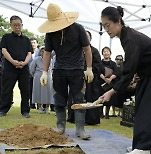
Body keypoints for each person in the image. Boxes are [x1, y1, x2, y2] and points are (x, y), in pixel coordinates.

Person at [99, 6, 151, 154]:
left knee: (150, 108)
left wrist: (112, 91)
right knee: (141, 104)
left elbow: (129, 69)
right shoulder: (125, 36)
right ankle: (140, 144)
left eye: (107, 25)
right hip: (149, 72)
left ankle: (143, 148)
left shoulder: (130, 37)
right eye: (103, 26)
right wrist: (120, 76)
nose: (106, 29)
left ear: (118, 22)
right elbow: (132, 64)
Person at [38, 3, 93, 140]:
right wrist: (44, 72)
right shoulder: (50, 32)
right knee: (59, 99)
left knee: (79, 99)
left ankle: (80, 129)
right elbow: (47, 53)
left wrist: (89, 68)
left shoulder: (78, 29)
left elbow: (87, 49)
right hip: (59, 70)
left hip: (76, 70)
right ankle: (60, 126)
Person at [0, 15, 32, 118]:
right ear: (11, 26)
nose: (17, 27)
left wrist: (24, 62)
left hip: (24, 68)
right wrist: (13, 62)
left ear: (22, 25)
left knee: (25, 90)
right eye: (14, 25)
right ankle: (3, 109)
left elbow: (29, 53)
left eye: (19, 25)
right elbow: (4, 51)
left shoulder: (26, 39)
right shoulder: (6, 37)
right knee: (6, 89)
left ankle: (25, 111)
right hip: (10, 68)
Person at [30, 46, 53, 114]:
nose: (43, 53)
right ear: (40, 52)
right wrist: (36, 75)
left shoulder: (50, 59)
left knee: (48, 92)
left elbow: (52, 69)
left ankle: (47, 107)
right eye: (42, 51)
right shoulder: (36, 59)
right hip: (38, 76)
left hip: (48, 76)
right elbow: (31, 69)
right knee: (38, 91)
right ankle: (39, 107)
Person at [99, 46, 118, 119]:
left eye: (107, 51)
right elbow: (98, 72)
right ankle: (101, 113)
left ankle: (107, 114)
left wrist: (110, 78)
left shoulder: (113, 63)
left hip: (110, 83)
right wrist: (104, 79)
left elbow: (117, 72)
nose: (106, 53)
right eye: (104, 51)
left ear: (110, 53)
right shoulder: (100, 63)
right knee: (101, 97)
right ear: (102, 53)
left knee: (109, 99)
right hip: (101, 83)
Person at [29, 37, 39, 109]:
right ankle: (32, 103)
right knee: (30, 89)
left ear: (37, 43)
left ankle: (40, 104)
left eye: (34, 43)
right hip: (29, 74)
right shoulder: (27, 52)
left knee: (39, 89)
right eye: (31, 43)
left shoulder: (41, 52)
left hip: (38, 74)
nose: (32, 44)